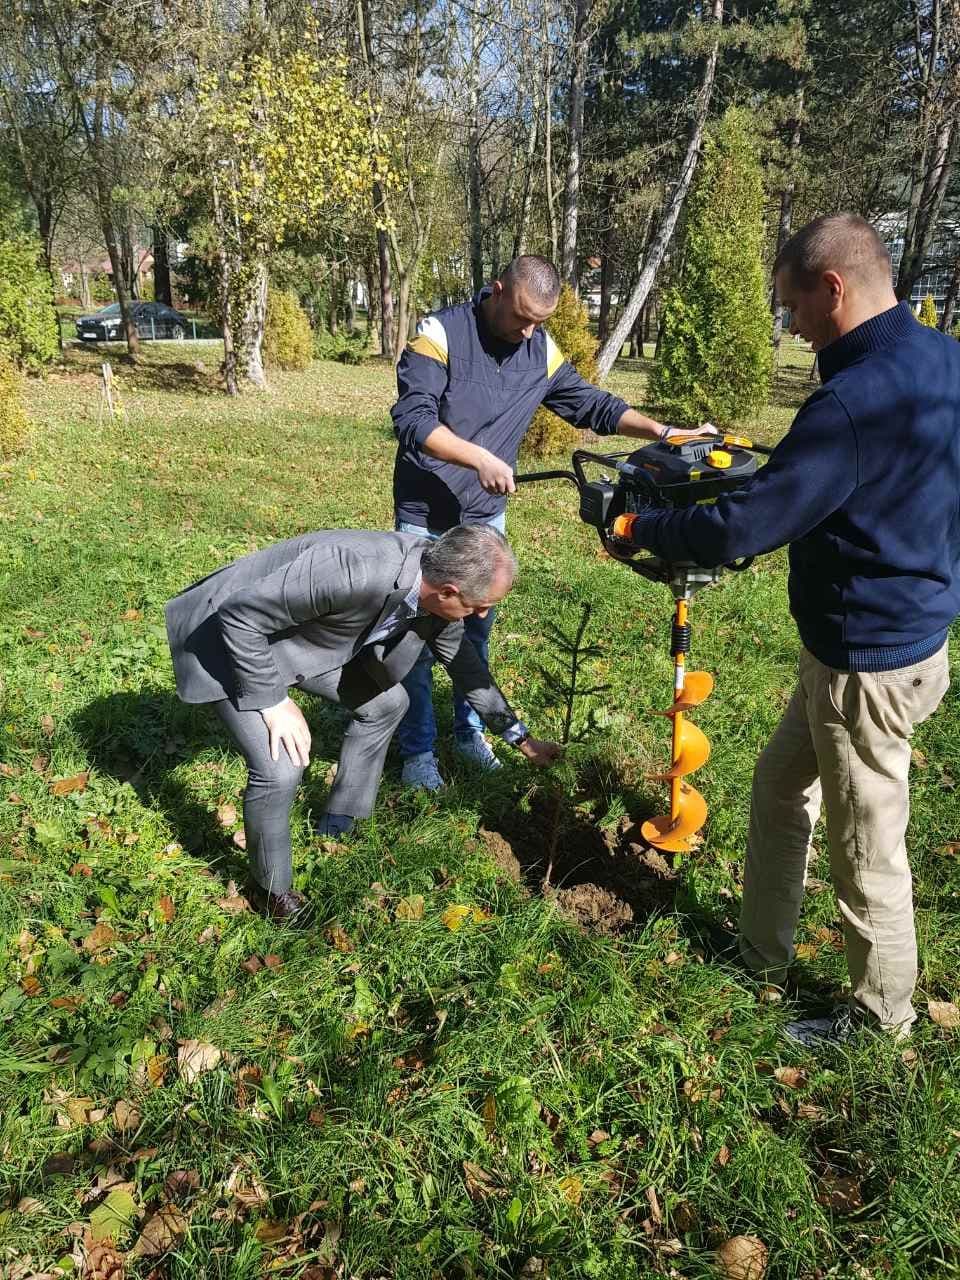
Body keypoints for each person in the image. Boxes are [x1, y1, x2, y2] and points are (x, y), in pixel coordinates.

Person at [616, 213, 960, 1044]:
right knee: (777, 786)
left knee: (867, 850)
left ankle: (880, 1022)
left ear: (833, 289)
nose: (792, 325)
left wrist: (640, 527)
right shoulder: (944, 359)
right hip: (901, 640)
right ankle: (760, 953)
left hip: (864, 665)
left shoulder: (852, 402)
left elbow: (748, 524)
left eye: (794, 306)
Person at [391, 253, 713, 791]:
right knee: (417, 638)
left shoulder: (539, 349)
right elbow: (412, 420)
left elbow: (592, 406)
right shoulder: (440, 335)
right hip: (425, 515)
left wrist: (663, 432)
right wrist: (479, 458)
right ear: (497, 290)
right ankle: (418, 752)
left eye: (539, 322)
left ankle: (470, 733)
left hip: (485, 518)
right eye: (521, 317)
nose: (528, 331)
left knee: (475, 630)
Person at [165, 525, 561, 922]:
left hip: (297, 641)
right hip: (225, 641)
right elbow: (239, 616)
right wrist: (274, 702)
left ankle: (342, 821)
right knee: (281, 766)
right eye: (479, 606)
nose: (483, 614)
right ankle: (273, 892)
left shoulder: (434, 590)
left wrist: (523, 741)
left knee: (388, 703)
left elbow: (468, 669)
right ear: (448, 591)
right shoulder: (355, 570)